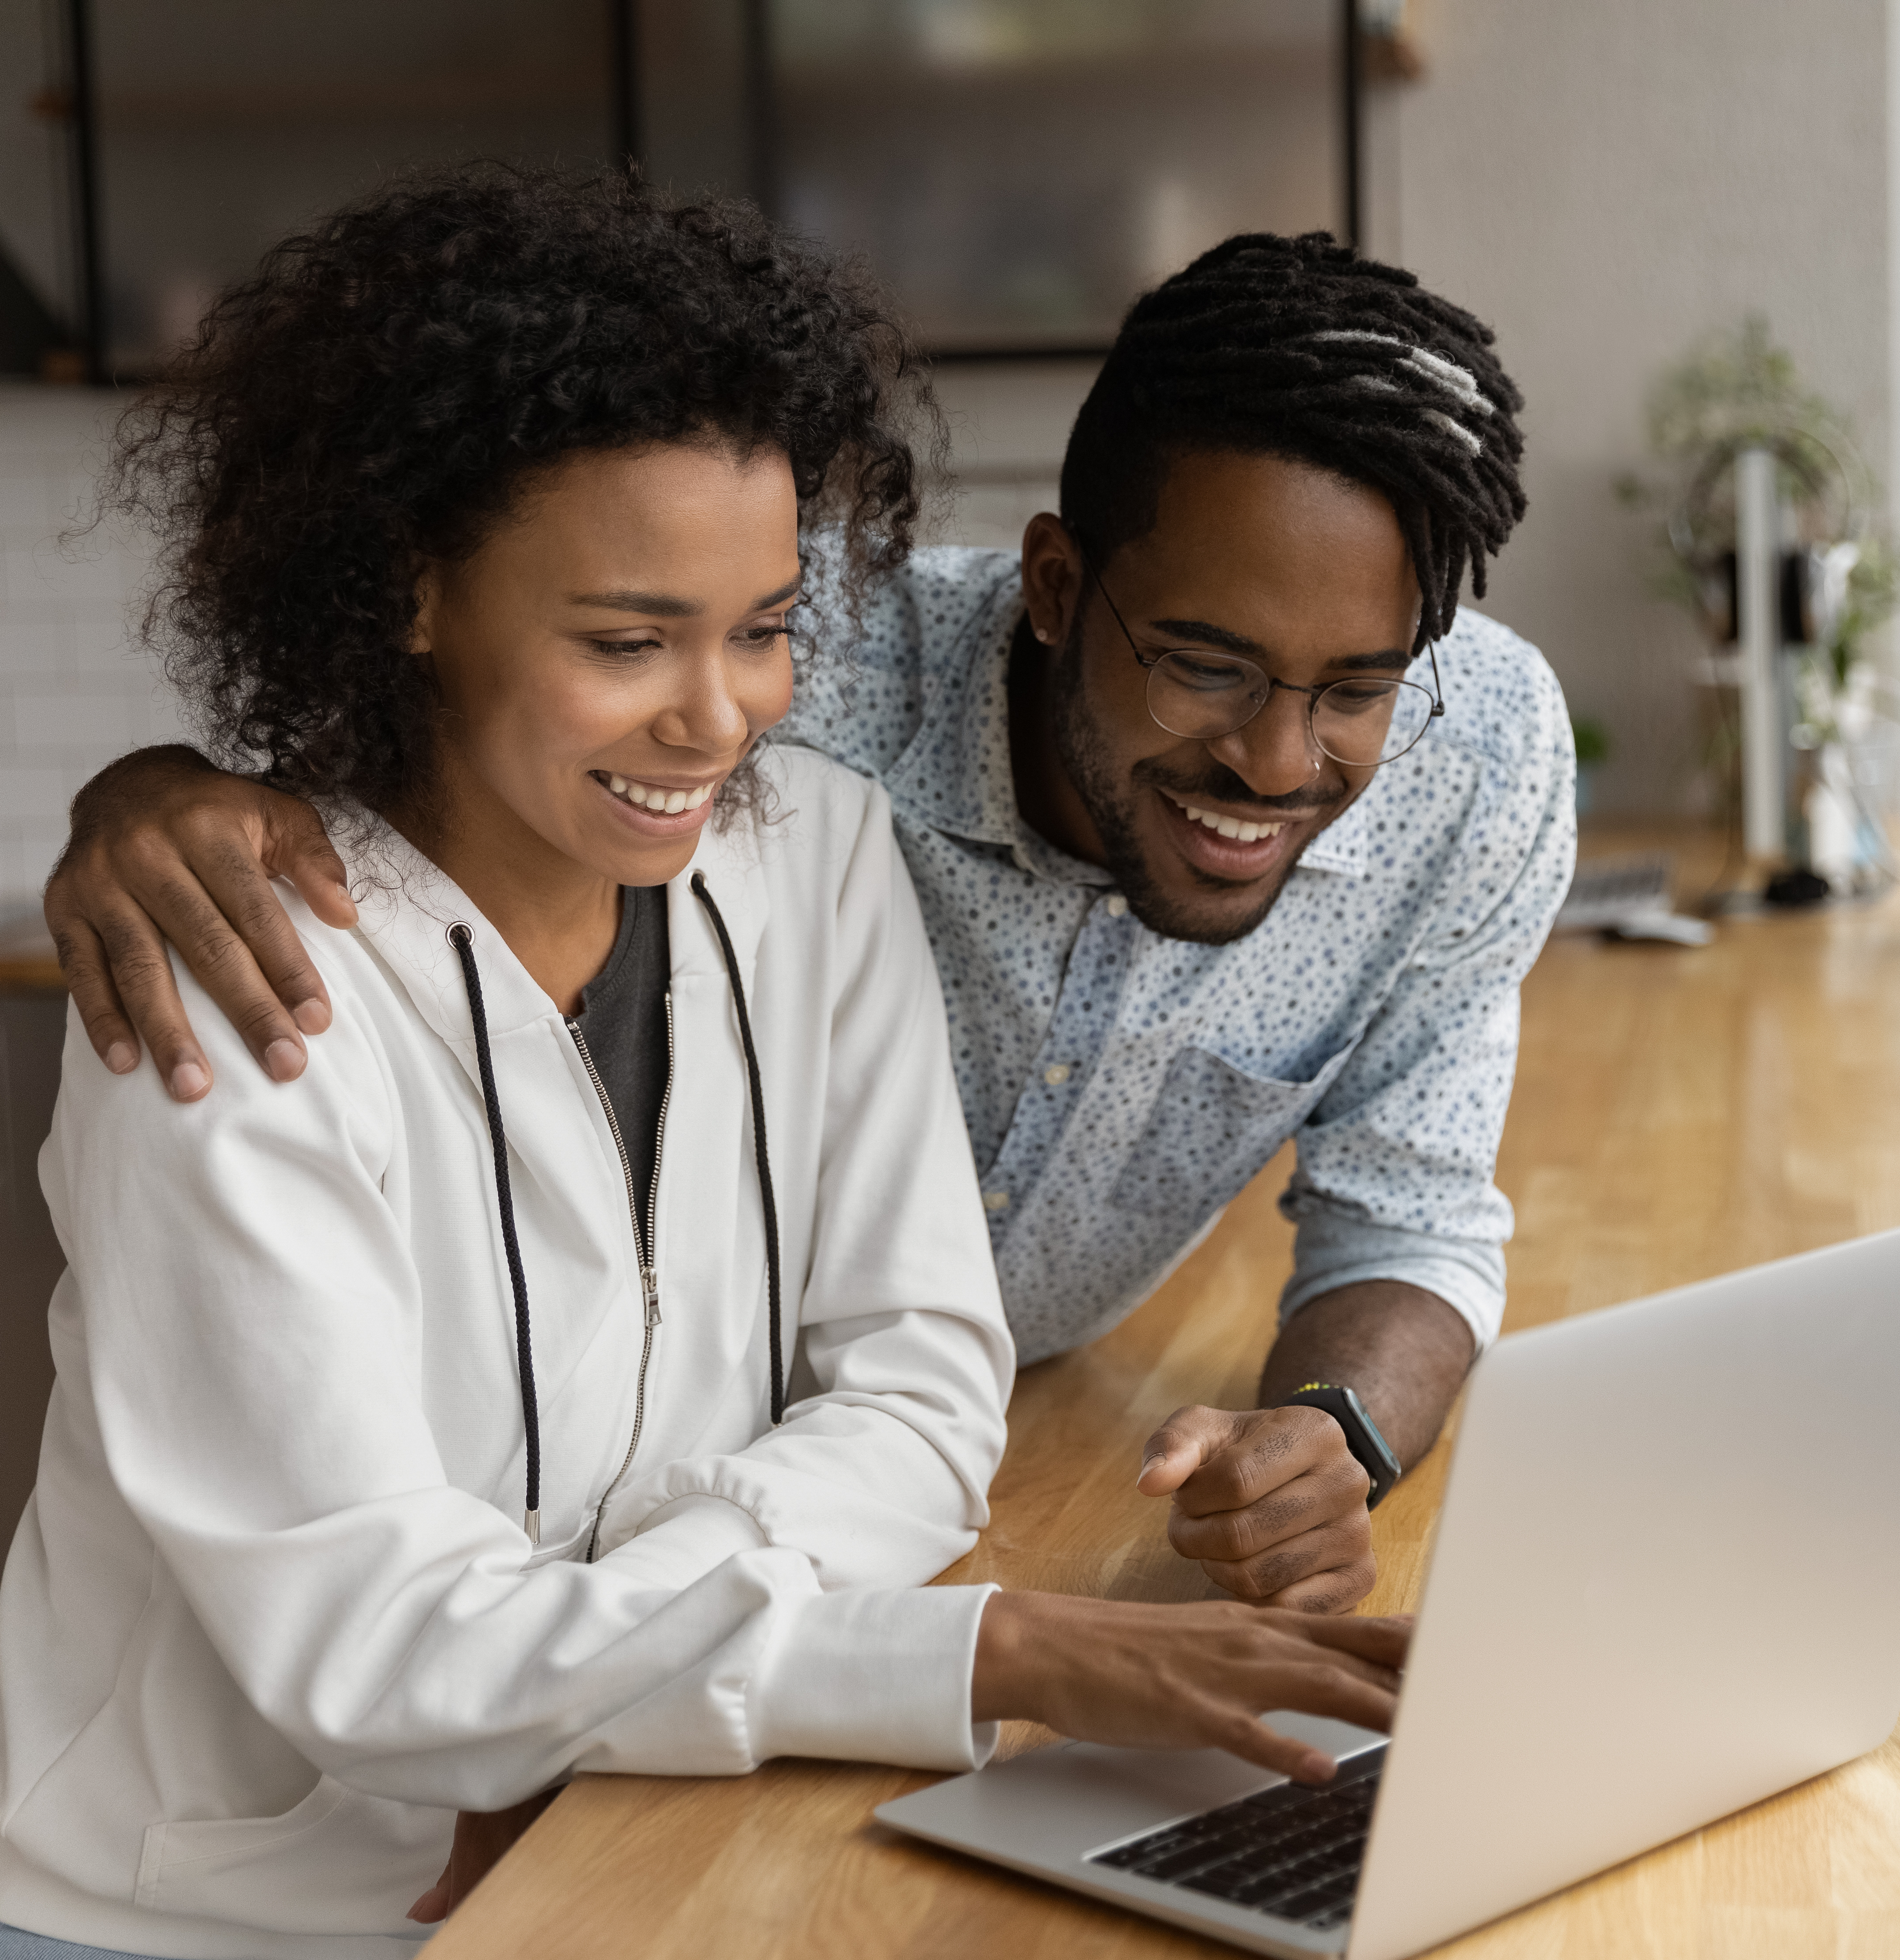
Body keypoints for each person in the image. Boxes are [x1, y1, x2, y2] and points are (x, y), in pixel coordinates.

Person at [0, 168, 1407, 1960]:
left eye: (761, 628)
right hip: (207, 1917)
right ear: (410, 594)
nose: (718, 715)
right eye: (625, 640)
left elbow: (921, 1383)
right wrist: (990, 1648)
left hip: (617, 1831)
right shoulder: (230, 985)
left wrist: (581, 1683)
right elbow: (376, 1647)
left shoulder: (808, 850)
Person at [44, 233, 1575, 1619]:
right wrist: (155, 785)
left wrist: (1331, 1434)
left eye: (1357, 690)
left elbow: (1412, 1210)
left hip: (862, 1507)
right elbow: (441, 695)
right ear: (1054, 583)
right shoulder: (808, 679)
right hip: (652, 1509)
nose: (1281, 760)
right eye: (1206, 667)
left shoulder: (1477, 759)